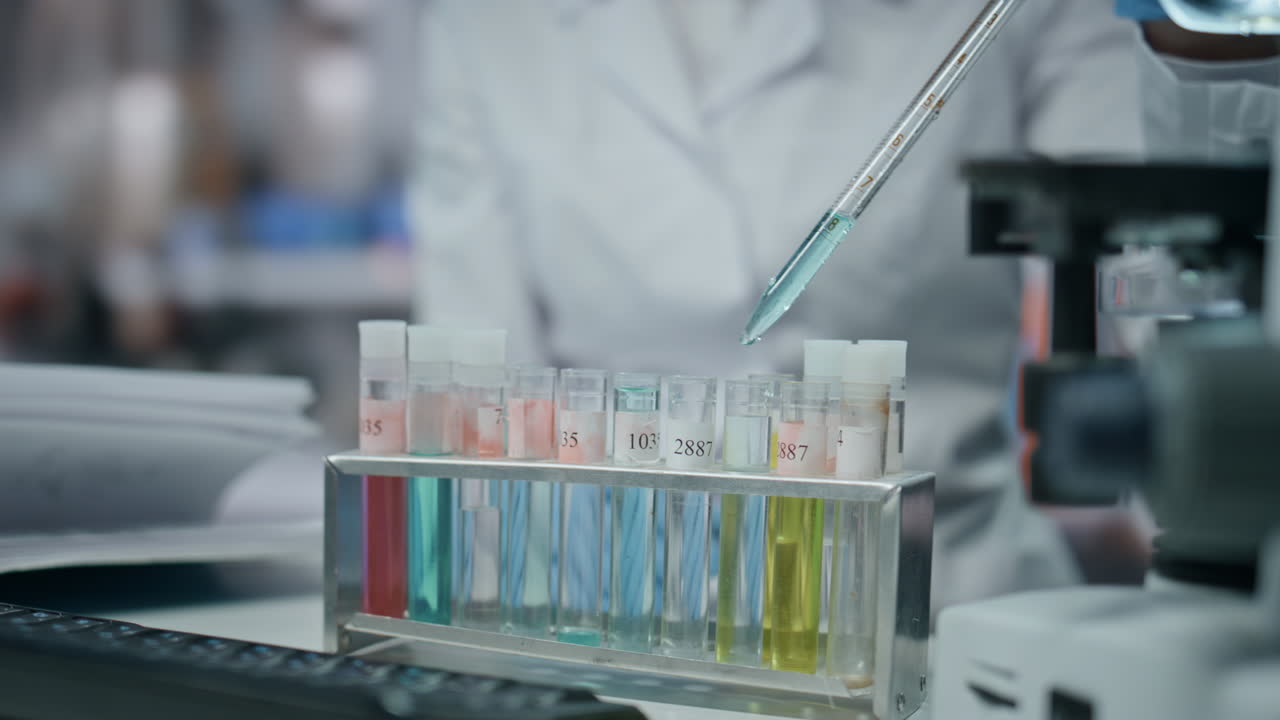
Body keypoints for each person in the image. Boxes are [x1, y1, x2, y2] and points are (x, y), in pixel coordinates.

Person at [410, 0, 1144, 610]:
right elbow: (478, 387)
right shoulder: (486, 22)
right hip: (616, 612)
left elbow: (1163, 252)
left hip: (941, 600)